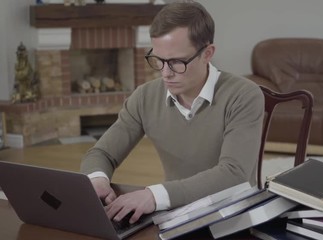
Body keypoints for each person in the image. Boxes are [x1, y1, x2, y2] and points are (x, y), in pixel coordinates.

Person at [80, 1, 264, 224]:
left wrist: (152, 195)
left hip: (234, 216)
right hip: (175, 214)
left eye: (177, 62)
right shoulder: (144, 97)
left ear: (207, 53)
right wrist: (97, 180)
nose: (166, 73)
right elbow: (102, 154)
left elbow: (234, 174)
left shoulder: (244, 95)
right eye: (158, 60)